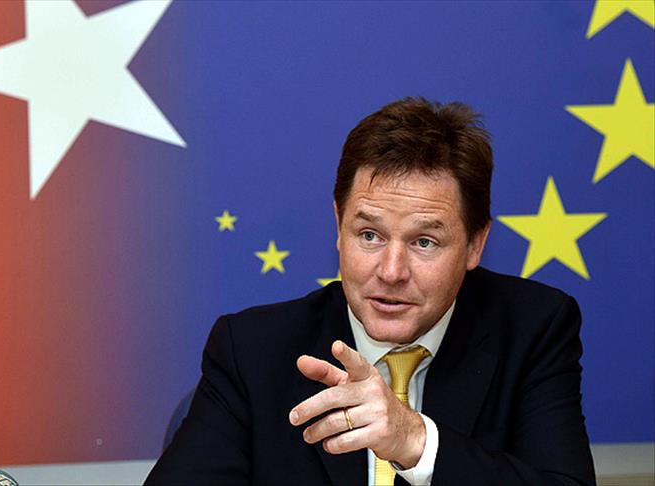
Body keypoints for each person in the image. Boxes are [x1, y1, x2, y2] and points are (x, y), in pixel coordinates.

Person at [145, 98, 596, 486]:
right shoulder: (252, 350)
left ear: (475, 244)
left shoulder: (533, 329)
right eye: (369, 235)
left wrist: (415, 441)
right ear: (338, 225)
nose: (391, 271)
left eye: (424, 242)